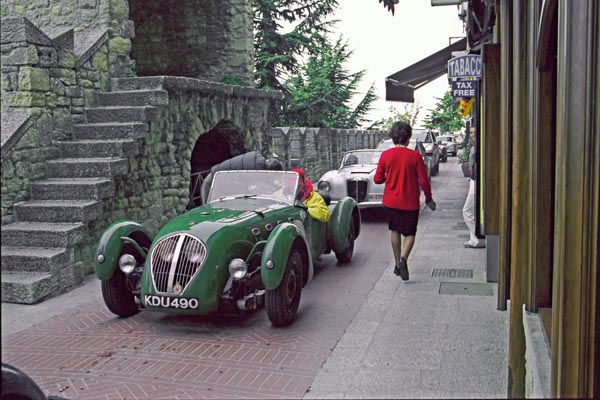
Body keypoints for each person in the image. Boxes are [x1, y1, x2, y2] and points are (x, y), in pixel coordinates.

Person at [374, 121, 436, 281]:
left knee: (395, 231)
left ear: (393, 138)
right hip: (410, 202)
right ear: (408, 138)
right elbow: (424, 180)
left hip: (391, 202)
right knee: (410, 233)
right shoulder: (415, 156)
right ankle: (403, 260)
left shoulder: (385, 155)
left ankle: (396, 263)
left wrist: (390, 176)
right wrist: (429, 198)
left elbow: (378, 179)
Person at [188, 151, 283, 210]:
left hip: (216, 177)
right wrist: (274, 186)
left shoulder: (257, 159)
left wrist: (273, 184)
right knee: (208, 210)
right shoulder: (256, 168)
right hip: (212, 181)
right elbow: (257, 183)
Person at [462, 126, 485, 248]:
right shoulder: (475, 146)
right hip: (474, 180)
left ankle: (478, 237)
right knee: (472, 211)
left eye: (475, 132)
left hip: (477, 181)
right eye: (470, 132)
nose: (472, 135)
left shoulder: (480, 146)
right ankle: (474, 239)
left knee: (467, 210)